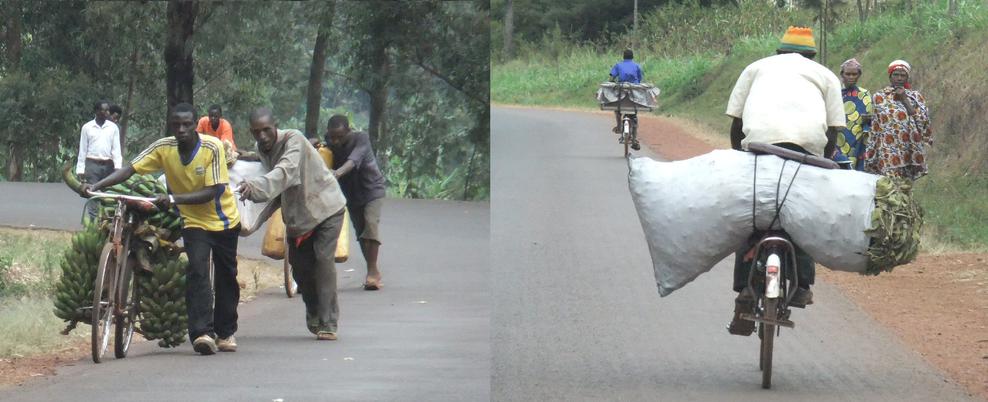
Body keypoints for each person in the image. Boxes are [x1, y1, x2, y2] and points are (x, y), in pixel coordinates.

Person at [82, 103, 242, 356]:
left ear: (194, 125)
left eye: (186, 124)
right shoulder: (163, 148)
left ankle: (225, 331)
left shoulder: (212, 148)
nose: (181, 129)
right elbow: (129, 169)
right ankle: (202, 333)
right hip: (193, 221)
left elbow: (214, 190)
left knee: (226, 275)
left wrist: (175, 199)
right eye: (176, 125)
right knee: (197, 270)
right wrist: (96, 185)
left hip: (222, 219)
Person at [724, 26, 845, 336]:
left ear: (779, 52)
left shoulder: (755, 68)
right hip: (806, 151)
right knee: (803, 215)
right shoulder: (825, 75)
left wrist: (740, 155)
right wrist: (822, 160)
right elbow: (834, 130)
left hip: (759, 147)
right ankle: (803, 284)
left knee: (750, 217)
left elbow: (736, 123)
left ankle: (744, 289)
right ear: (812, 55)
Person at [238, 108, 347, 341]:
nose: (263, 136)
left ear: (275, 126)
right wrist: (240, 156)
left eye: (267, 130)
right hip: (299, 217)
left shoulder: (294, 139)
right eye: (257, 132)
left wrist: (255, 188)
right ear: (252, 133)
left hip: (326, 208)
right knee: (300, 268)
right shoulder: (262, 149)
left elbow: (285, 171)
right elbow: (263, 160)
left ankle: (329, 322)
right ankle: (314, 310)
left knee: (322, 261)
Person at [326, 115, 386, 291]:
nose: (336, 141)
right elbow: (320, 147)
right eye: (332, 137)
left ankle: (373, 272)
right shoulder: (329, 140)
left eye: (340, 136)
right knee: (361, 233)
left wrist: (336, 173)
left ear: (348, 131)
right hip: (351, 194)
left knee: (370, 226)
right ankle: (371, 269)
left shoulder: (361, 139)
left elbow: (353, 161)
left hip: (371, 190)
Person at [862, 60, 933, 181]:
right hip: (887, 149)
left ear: (907, 77)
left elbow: (922, 122)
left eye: (903, 75)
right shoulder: (879, 96)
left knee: (906, 185)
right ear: (890, 76)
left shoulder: (915, 97)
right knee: (889, 184)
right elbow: (877, 126)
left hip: (909, 148)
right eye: (896, 75)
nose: (899, 78)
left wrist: (904, 99)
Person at [832, 58, 874, 171]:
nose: (851, 77)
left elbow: (871, 117)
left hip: (857, 140)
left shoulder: (864, 95)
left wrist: (869, 120)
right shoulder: (834, 93)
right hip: (836, 138)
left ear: (859, 75)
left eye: (854, 74)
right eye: (848, 74)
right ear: (842, 74)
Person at [76, 100, 123, 184]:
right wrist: (80, 170)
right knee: (93, 193)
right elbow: (82, 150)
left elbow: (116, 150)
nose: (108, 113)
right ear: (97, 111)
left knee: (107, 193)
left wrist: (118, 167)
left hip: (108, 166)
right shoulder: (87, 127)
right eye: (105, 110)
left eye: (108, 110)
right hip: (92, 165)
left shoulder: (113, 128)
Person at [609, 49, 644, 150]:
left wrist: (612, 81)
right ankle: (634, 137)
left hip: (622, 92)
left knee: (617, 108)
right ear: (632, 57)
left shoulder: (618, 65)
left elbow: (611, 78)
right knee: (634, 115)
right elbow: (640, 79)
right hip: (634, 92)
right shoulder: (637, 66)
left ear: (623, 57)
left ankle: (619, 126)